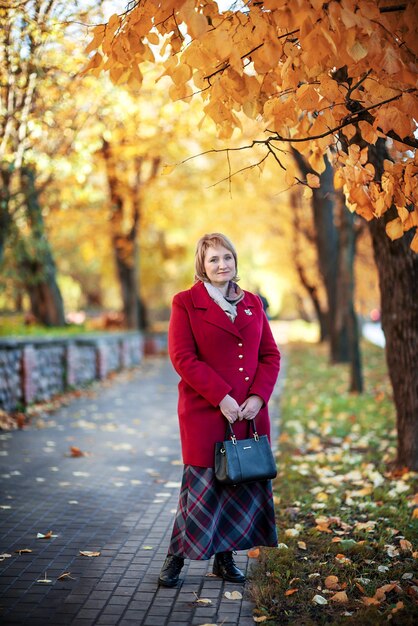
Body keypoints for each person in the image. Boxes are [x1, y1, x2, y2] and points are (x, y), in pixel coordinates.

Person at [158, 233, 281, 588]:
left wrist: (257, 398)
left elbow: (269, 356)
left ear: (235, 261)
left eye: (227, 257)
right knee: (199, 491)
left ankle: (225, 560)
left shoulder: (253, 303)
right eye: (213, 259)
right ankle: (176, 558)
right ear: (202, 265)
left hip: (247, 414)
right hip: (206, 412)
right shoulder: (185, 303)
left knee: (239, 485)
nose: (221, 265)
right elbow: (183, 358)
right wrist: (222, 397)